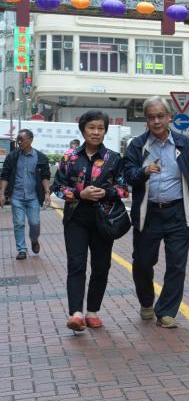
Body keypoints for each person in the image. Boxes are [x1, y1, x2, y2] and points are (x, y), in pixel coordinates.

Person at [123, 96, 189, 329]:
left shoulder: (183, 144)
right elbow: (127, 174)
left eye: (161, 116)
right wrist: (144, 171)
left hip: (178, 213)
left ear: (170, 117)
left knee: (177, 264)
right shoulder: (137, 145)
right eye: (151, 117)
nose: (157, 121)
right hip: (148, 213)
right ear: (146, 121)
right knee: (142, 263)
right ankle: (147, 301)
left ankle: (167, 312)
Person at [52, 111, 127, 331]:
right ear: (83, 129)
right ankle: (76, 313)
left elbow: (123, 189)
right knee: (76, 265)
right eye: (92, 127)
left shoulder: (114, 158)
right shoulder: (69, 157)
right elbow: (58, 187)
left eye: (101, 128)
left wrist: (105, 193)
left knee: (101, 266)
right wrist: (79, 194)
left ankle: (92, 311)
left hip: (104, 221)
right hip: (76, 219)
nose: (96, 132)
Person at [0, 129, 51, 260]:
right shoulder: (13, 156)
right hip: (16, 196)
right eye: (18, 139)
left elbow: (45, 176)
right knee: (18, 223)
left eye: (22, 139)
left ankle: (34, 240)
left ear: (31, 139)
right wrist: (2, 193)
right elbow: (5, 175)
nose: (20, 142)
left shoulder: (41, 157)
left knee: (35, 223)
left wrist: (47, 193)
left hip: (34, 197)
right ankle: (21, 249)